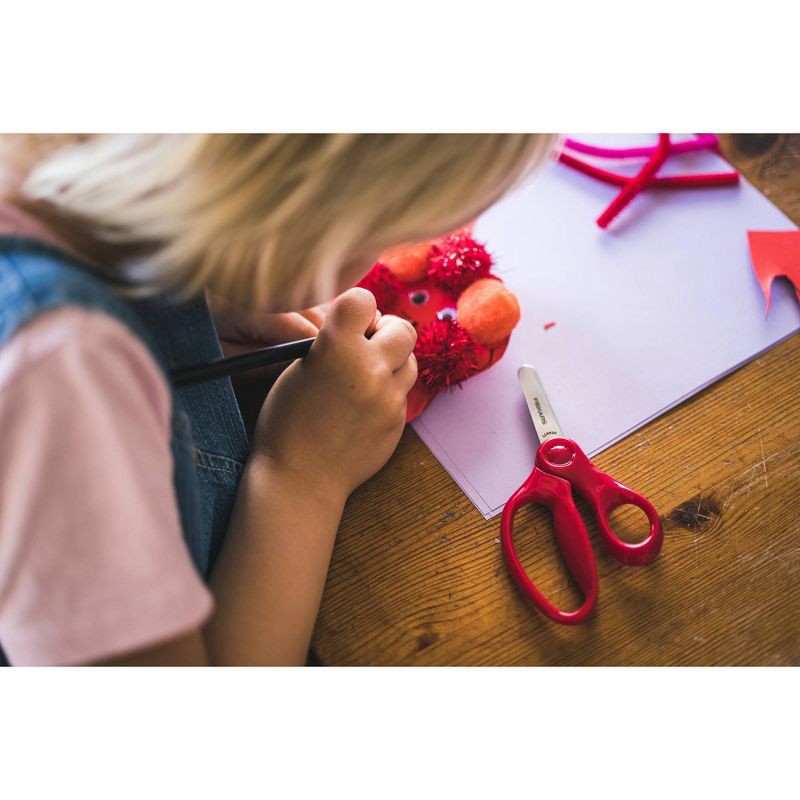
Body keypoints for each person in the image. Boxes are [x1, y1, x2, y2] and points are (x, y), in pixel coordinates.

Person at [0, 134, 554, 665]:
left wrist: (204, 291)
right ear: (282, 194)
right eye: (382, 233)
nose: (368, 267)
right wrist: (304, 473)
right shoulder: (56, 385)